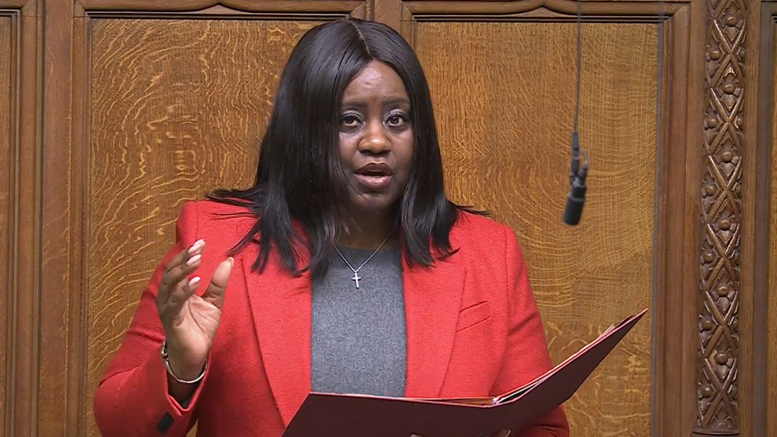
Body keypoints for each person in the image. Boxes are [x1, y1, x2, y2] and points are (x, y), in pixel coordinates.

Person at [92, 18, 570, 437]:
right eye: (349, 120)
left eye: (398, 119)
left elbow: (542, 426)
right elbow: (118, 423)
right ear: (303, 131)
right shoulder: (216, 241)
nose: (378, 140)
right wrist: (180, 368)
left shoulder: (488, 251)